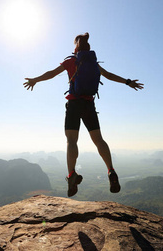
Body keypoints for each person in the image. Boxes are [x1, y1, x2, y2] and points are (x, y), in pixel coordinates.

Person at [23, 32, 144, 197]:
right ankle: (111, 170)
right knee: (99, 140)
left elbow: (51, 73)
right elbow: (108, 75)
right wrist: (128, 82)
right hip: (89, 104)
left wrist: (35, 80)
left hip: (73, 104)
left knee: (72, 141)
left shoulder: (71, 61)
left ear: (76, 48)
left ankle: (71, 174)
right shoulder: (93, 64)